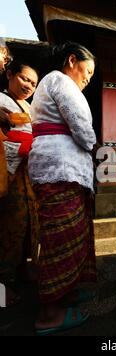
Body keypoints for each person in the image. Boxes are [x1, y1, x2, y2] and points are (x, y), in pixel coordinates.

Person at [28, 42, 97, 335]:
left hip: (63, 170)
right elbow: (83, 129)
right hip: (60, 169)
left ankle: (65, 292)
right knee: (60, 237)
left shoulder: (54, 84)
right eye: (87, 71)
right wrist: (94, 143)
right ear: (72, 61)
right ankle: (49, 313)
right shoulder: (60, 80)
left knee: (69, 234)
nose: (88, 78)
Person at [0, 61, 40, 290]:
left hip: (28, 171)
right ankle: (3, 284)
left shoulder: (31, 107)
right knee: (9, 224)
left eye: (33, 83)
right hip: (7, 168)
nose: (28, 86)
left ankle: (24, 268)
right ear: (10, 74)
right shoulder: (1, 99)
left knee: (29, 222)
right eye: (25, 79)